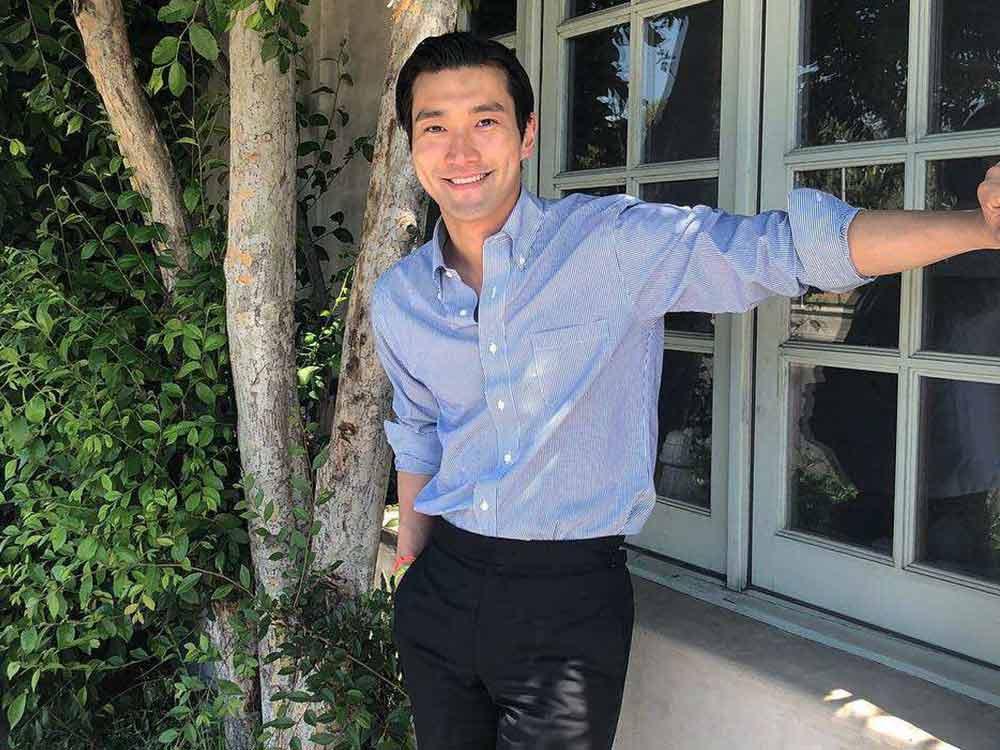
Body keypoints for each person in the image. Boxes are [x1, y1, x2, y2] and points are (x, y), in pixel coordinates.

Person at [369, 32, 1000, 750]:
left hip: (566, 601)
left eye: (485, 121)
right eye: (435, 128)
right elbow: (417, 432)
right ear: (411, 144)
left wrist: (977, 228)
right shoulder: (400, 297)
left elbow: (780, 250)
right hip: (442, 588)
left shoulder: (610, 244)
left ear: (527, 134)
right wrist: (412, 569)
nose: (460, 151)